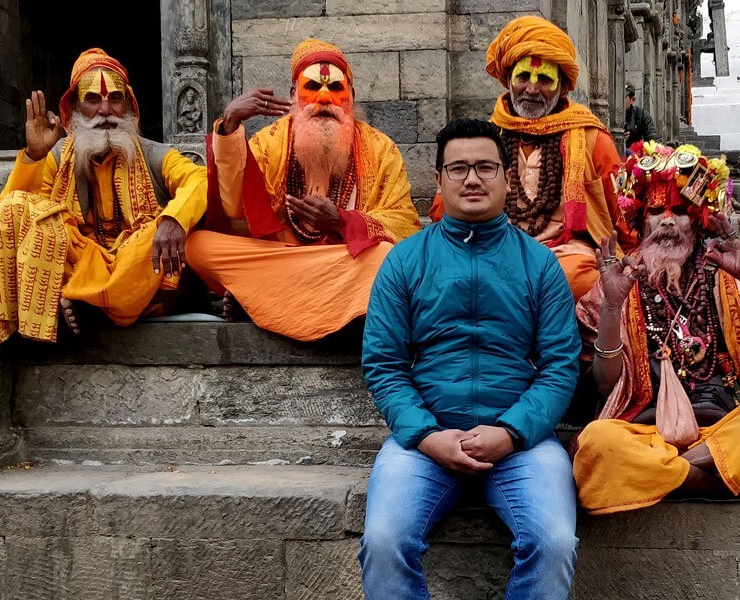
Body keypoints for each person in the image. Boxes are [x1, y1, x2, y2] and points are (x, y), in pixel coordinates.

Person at [359, 118, 582, 599]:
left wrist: (512, 432)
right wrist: (425, 435)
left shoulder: (539, 264)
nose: (473, 179)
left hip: (522, 442)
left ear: (506, 177)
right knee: (383, 541)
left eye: (485, 167)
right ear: (438, 180)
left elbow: (561, 365)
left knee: (555, 542)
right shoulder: (404, 261)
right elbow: (383, 364)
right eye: (458, 168)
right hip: (425, 440)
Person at [570, 142, 740, 515]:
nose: (668, 221)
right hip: (647, 435)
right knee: (596, 444)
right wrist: (611, 307)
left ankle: (681, 475)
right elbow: (605, 386)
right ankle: (737, 483)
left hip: (726, 429)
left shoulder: (725, 276)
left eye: (681, 212)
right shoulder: (617, 282)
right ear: (640, 221)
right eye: (656, 210)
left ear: (698, 222)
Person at [0, 49, 209, 351]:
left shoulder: (156, 154)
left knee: (154, 240)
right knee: (21, 213)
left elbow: (199, 179)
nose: (105, 110)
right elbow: (15, 214)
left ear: (128, 105)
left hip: (135, 264)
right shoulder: (58, 156)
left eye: (115, 98)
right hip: (82, 262)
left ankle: (87, 301)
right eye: (93, 100)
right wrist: (33, 156)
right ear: (75, 109)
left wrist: (174, 219)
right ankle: (90, 300)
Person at [185, 39, 422, 341]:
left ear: (352, 97)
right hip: (285, 258)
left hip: (344, 261)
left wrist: (342, 222)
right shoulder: (271, 140)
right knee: (198, 246)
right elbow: (233, 208)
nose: (324, 98)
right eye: (312, 87)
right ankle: (324, 308)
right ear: (294, 95)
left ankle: (264, 300)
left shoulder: (380, 148)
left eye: (336, 89)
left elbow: (406, 225)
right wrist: (230, 125)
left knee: (385, 257)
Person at [428, 16, 629, 300]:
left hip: (564, 253)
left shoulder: (592, 138)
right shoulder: (488, 136)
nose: (532, 89)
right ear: (509, 80)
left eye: (545, 79)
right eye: (523, 77)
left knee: (579, 277)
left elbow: (621, 207)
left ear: (562, 85)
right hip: (492, 246)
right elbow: (444, 207)